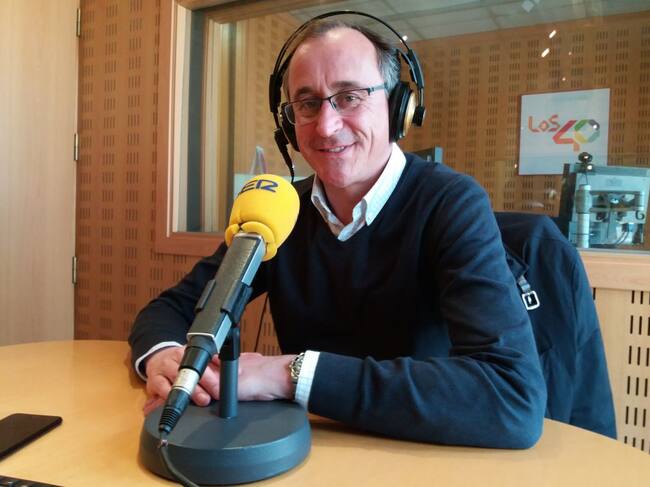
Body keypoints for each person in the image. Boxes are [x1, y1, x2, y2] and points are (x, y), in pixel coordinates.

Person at [129, 17, 547, 448]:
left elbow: (511, 396)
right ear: (288, 124)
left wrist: (287, 373)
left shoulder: (450, 203)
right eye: (307, 104)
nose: (326, 126)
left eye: (349, 97)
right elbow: (172, 309)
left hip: (418, 454)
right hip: (308, 450)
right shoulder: (281, 210)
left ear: (398, 107)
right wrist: (164, 356)